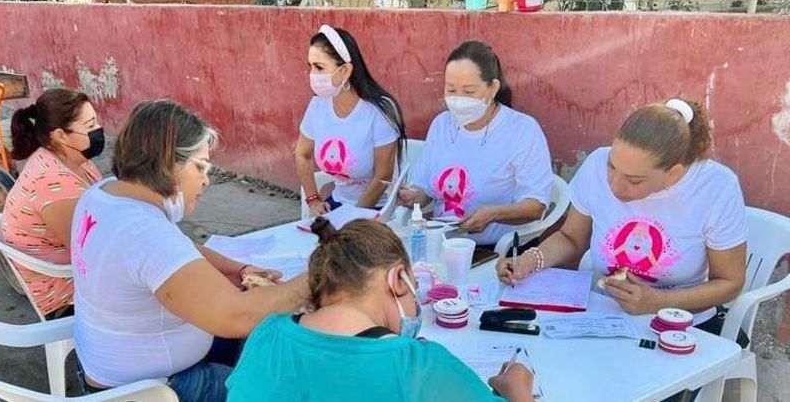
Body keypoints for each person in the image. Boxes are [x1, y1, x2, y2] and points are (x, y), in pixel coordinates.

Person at [71, 99, 309, 402]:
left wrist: (237, 269)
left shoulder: (104, 194)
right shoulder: (145, 234)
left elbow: (176, 246)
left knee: (258, 346)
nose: (206, 180)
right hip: (149, 391)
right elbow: (237, 318)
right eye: (200, 167)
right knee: (286, 387)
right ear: (169, 164)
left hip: (107, 368)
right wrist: (318, 277)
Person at [498, 97, 748, 341]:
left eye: (634, 180)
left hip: (680, 325)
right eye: (612, 167)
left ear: (673, 173)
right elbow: (570, 238)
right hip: (603, 314)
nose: (615, 186)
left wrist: (659, 302)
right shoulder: (596, 164)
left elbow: (730, 282)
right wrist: (530, 261)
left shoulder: (716, 187)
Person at [227, 218, 534, 402]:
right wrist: (518, 392)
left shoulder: (266, 333)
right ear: (397, 280)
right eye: (414, 287)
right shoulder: (417, 366)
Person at [398, 41, 553, 247]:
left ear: (492, 88)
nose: (459, 99)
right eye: (451, 90)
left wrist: (493, 214)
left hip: (495, 249)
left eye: (469, 92)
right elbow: (426, 190)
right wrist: (410, 197)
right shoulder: (441, 125)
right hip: (442, 243)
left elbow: (535, 206)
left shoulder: (522, 131)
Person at [1, 88, 104, 319]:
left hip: (78, 277)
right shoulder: (53, 183)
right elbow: (90, 254)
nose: (98, 130)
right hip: (66, 297)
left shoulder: (75, 159)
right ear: (59, 135)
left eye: (96, 121)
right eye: (90, 125)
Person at [294, 24, 406, 216]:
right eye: (310, 67)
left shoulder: (380, 110)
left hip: (379, 210)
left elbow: (383, 176)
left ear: (345, 71)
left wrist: (351, 218)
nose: (313, 75)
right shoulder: (317, 105)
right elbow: (302, 154)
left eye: (319, 67)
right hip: (338, 205)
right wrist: (313, 199)